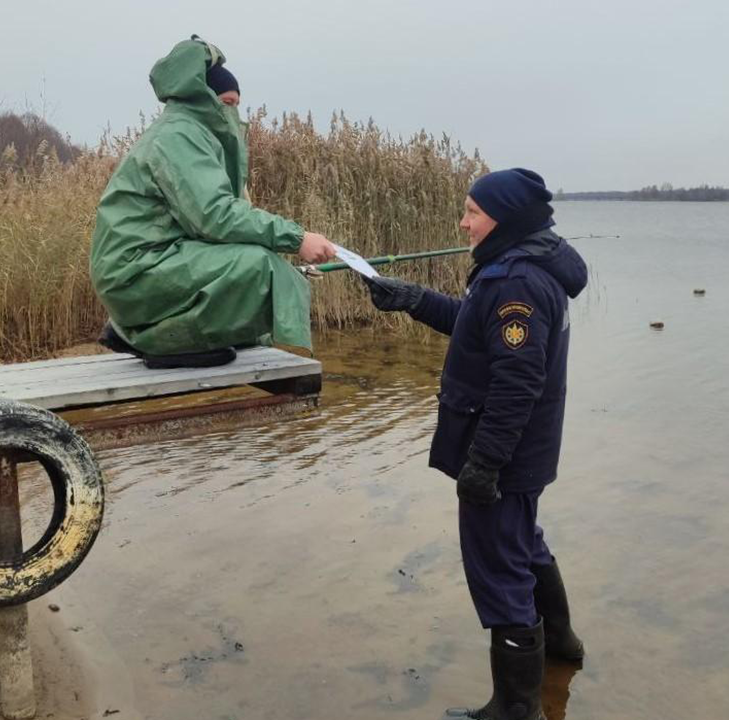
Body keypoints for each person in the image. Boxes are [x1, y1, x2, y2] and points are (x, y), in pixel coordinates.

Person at [365, 168, 588, 720]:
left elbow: (518, 383)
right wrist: (415, 299)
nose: (462, 222)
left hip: (506, 455)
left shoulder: (514, 280)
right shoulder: (521, 266)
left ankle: (515, 709)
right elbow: (476, 325)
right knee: (523, 545)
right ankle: (560, 648)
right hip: (526, 452)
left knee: (498, 567)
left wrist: (484, 463)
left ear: (504, 219)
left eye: (472, 212)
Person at [90, 36, 335, 368]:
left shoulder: (187, 132)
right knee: (259, 266)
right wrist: (298, 238)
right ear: (204, 99)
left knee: (258, 263)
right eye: (227, 103)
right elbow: (216, 216)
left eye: (237, 105)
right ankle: (155, 339)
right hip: (137, 271)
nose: (233, 113)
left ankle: (157, 332)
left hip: (152, 263)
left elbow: (207, 226)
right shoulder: (179, 136)